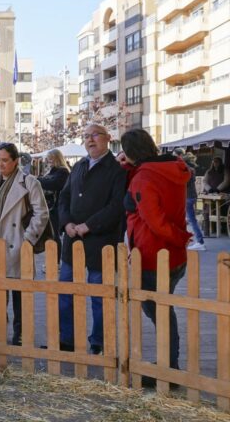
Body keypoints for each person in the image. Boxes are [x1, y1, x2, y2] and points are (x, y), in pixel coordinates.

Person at [120, 129, 191, 387]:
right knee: (162, 310)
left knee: (159, 312)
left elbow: (155, 221)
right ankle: (169, 365)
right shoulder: (175, 167)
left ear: (129, 152)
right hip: (174, 257)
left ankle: (169, 370)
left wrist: (180, 236)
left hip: (153, 255)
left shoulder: (145, 178)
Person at [58, 124, 127, 354]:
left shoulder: (116, 171)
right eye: (86, 136)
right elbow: (64, 197)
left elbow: (117, 206)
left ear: (107, 138)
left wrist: (89, 225)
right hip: (72, 240)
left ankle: (99, 341)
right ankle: (66, 338)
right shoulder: (78, 166)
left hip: (100, 242)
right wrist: (66, 223)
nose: (90, 140)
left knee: (100, 296)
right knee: (66, 292)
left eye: (95, 135)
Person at [0, 143, 49, 345]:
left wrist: (27, 238)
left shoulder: (29, 182)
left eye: (4, 160)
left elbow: (42, 213)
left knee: (19, 290)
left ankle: (20, 332)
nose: (0, 164)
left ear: (15, 161)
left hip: (16, 242)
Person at [37, 149, 71, 259]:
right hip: (49, 207)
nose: (48, 160)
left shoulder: (63, 172)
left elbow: (53, 184)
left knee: (54, 235)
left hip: (56, 208)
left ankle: (55, 263)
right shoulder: (52, 171)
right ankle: (51, 261)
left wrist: (36, 180)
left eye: (51, 158)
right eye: (48, 158)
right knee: (49, 235)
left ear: (57, 158)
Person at [182, 153, 205, 251]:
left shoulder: (187, 169)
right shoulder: (192, 169)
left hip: (188, 197)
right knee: (189, 219)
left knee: (192, 220)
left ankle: (200, 242)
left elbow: (185, 183)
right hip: (192, 196)